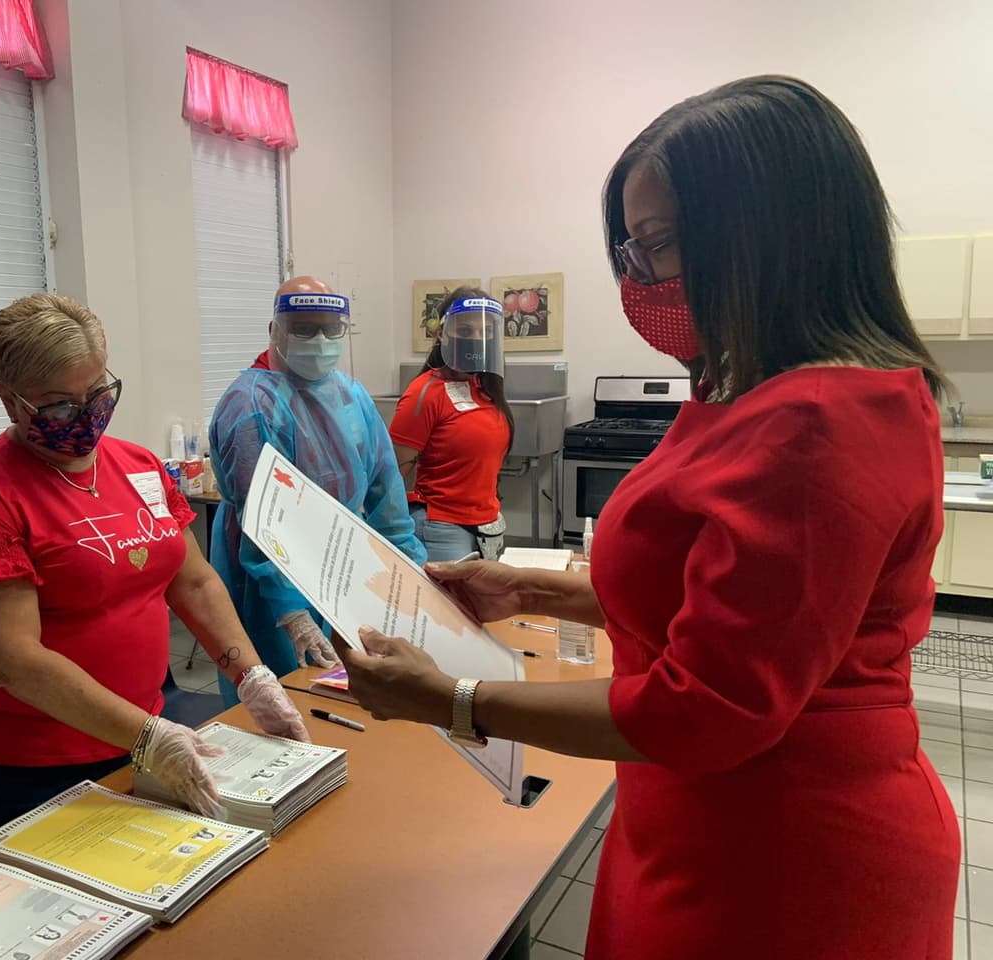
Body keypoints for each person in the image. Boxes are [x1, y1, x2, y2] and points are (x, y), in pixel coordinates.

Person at [334, 76, 959, 959]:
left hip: (784, 852)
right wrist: (530, 591)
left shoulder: (821, 421)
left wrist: (454, 702)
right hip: (692, 812)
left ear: (763, 236)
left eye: (655, 246)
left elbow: (706, 708)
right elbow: (706, 599)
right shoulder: (752, 390)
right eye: (629, 252)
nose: (639, 279)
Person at [0, 293, 309, 836]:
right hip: (34, 760)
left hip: (142, 730)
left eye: (97, 393)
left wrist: (252, 676)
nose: (86, 414)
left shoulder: (137, 465)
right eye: (60, 405)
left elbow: (191, 581)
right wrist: (147, 737)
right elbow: (13, 662)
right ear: (9, 400)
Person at [209, 276, 426, 704]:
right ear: (275, 331)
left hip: (343, 565)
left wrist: (409, 566)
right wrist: (291, 611)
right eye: (304, 329)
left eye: (330, 329)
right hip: (268, 580)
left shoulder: (350, 394)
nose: (320, 340)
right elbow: (264, 522)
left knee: (348, 690)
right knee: (282, 697)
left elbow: (386, 489)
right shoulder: (250, 406)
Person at [390, 288, 514, 561]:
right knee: (449, 605)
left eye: (485, 332)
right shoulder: (424, 393)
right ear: (442, 333)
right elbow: (392, 475)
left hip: (487, 526)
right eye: (466, 331)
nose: (477, 339)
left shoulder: (486, 388)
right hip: (442, 529)